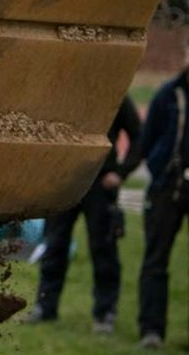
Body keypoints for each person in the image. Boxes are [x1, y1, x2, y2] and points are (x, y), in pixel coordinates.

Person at [25, 95, 143, 331]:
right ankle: (45, 306)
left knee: (103, 248)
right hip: (63, 180)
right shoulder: (66, 91)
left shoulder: (114, 93)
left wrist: (121, 172)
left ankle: (105, 313)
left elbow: (139, 136)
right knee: (54, 244)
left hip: (100, 183)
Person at [135, 40, 189, 349]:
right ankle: (151, 330)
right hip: (167, 187)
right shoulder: (168, 95)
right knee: (155, 260)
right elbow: (146, 141)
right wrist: (158, 170)